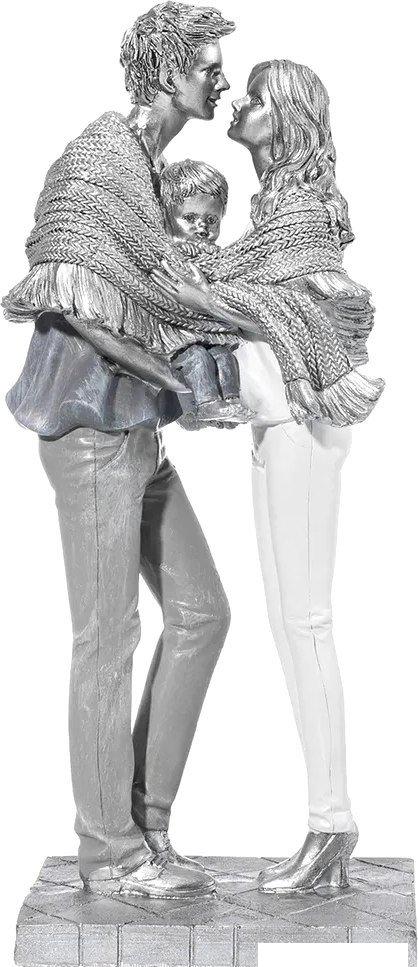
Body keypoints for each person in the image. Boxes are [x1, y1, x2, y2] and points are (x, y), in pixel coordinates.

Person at [2, 2, 235, 898]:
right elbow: (69, 298)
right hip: (92, 431)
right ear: (169, 71)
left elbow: (163, 291)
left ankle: (148, 823)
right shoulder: (100, 160)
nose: (220, 80)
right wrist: (181, 381)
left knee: (202, 612)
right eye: (208, 66)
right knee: (107, 638)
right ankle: (109, 854)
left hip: (137, 432)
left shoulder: (153, 172)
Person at [152, 60, 383, 892]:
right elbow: (243, 295)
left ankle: (332, 825)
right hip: (274, 427)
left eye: (255, 98)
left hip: (303, 426)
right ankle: (326, 824)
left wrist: (204, 289)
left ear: (285, 118)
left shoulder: (306, 214)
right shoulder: (274, 211)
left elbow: (281, 308)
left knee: (306, 620)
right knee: (292, 624)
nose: (239, 106)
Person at [160, 159, 252, 424]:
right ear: (166, 215)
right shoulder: (169, 256)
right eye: (190, 218)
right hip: (178, 337)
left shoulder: (222, 260)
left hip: (213, 333)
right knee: (198, 360)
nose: (202, 227)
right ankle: (206, 405)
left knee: (225, 358)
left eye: (211, 220)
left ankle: (230, 404)